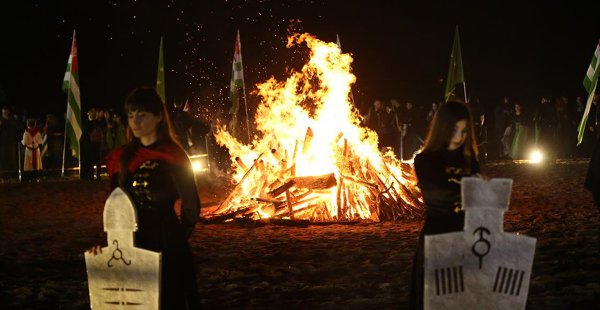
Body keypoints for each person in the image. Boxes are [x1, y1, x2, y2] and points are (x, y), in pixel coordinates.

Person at [99, 87, 200, 309]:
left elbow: (191, 206)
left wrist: (176, 238)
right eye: (131, 114)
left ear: (158, 117)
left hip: (166, 239)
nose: (135, 121)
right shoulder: (122, 158)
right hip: (130, 241)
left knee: (167, 299)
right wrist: (110, 242)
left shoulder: (173, 156)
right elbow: (114, 205)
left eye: (142, 114)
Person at [409, 100, 483, 310]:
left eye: (464, 131)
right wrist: (471, 188)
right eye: (454, 129)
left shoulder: (470, 160)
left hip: (466, 236)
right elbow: (437, 194)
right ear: (443, 128)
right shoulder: (425, 160)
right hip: (438, 236)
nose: (460, 137)